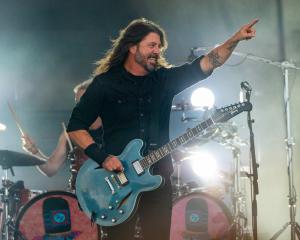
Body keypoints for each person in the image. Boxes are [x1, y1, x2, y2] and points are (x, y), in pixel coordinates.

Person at [67, 18, 258, 240]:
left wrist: (234, 40)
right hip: (116, 183)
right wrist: (102, 157)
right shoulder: (105, 84)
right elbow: (76, 126)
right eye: (151, 45)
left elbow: (208, 63)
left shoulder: (164, 80)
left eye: (159, 46)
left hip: (158, 178)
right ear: (132, 47)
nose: (157, 51)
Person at [21, 79, 103, 188]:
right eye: (77, 103)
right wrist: (34, 151)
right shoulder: (70, 132)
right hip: (81, 195)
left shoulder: (117, 127)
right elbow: (50, 169)